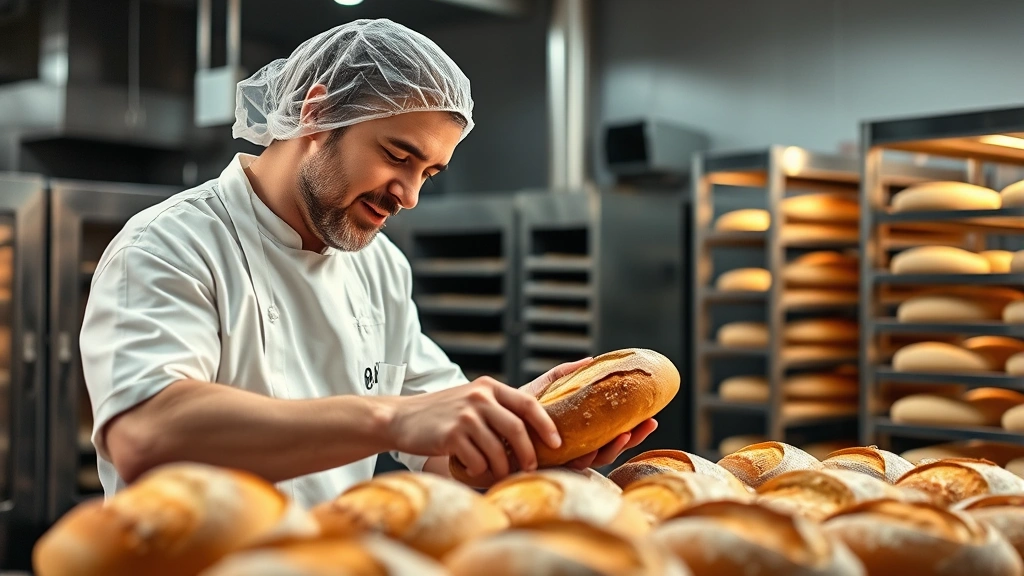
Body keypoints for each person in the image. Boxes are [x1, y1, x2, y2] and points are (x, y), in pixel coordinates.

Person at [80, 18, 656, 508]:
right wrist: (392, 419)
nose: (408, 195)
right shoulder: (171, 244)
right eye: (397, 155)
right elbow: (146, 430)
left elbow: (440, 458)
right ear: (316, 111)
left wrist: (515, 442)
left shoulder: (379, 265)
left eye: (428, 174)